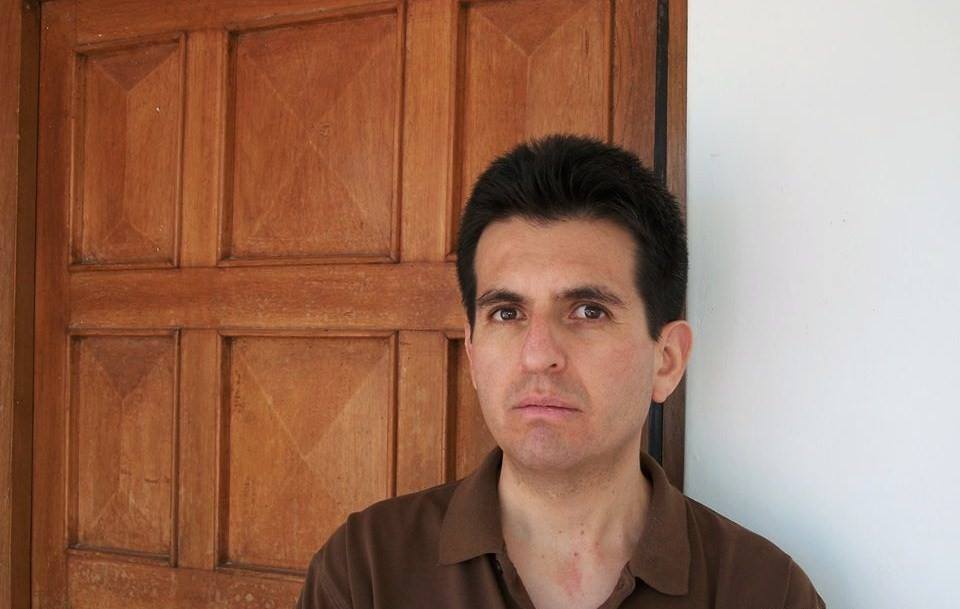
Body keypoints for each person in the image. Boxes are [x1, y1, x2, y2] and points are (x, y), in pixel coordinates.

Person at [295, 134, 825, 609]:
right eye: (507, 313)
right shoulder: (365, 573)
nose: (538, 355)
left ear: (666, 360)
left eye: (588, 311)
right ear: (473, 353)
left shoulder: (765, 592)